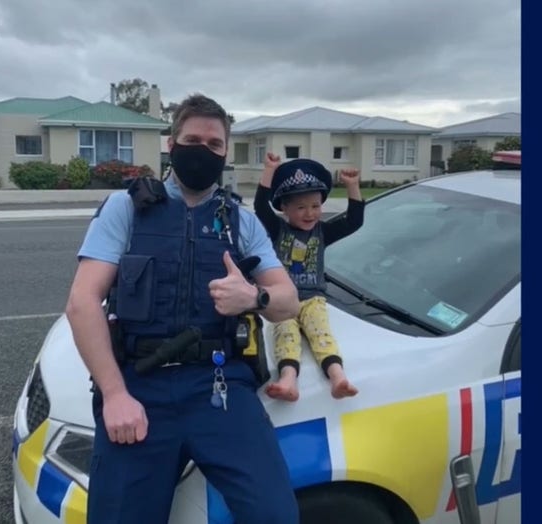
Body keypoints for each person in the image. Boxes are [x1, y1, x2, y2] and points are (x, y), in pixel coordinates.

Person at [65, 93, 302, 524]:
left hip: (218, 386)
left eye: (215, 144)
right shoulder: (127, 209)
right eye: (193, 139)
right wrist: (116, 395)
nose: (203, 150)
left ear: (226, 153)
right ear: (171, 145)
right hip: (141, 384)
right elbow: (82, 302)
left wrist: (254, 297)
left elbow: (288, 301)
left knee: (275, 515)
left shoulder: (241, 221)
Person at [254, 153, 365, 402]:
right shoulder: (277, 229)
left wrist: (352, 186)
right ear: (284, 207)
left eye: (315, 206)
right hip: (285, 299)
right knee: (285, 334)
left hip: (314, 297)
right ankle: (288, 381)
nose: (310, 214)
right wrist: (270, 169)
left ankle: (338, 378)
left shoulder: (322, 232)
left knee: (321, 333)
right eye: (301, 207)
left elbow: (354, 222)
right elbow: (261, 206)